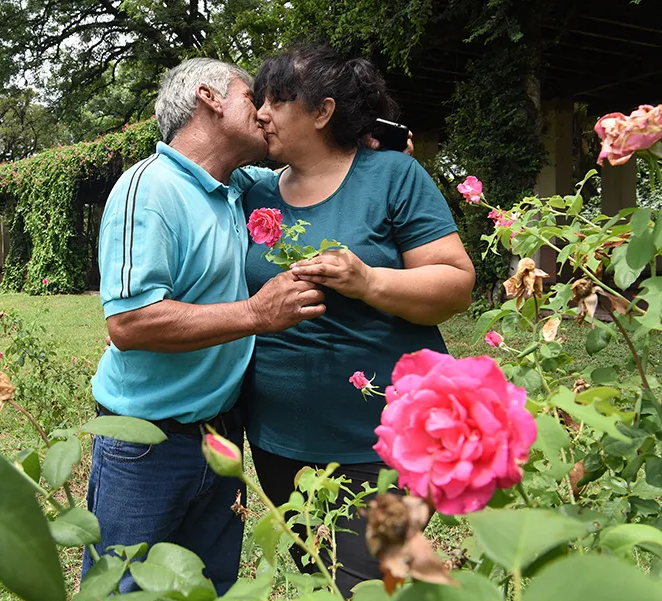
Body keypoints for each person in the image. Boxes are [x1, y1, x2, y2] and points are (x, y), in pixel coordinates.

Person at [84, 58, 327, 594]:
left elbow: (314, 166)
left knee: (206, 585)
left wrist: (367, 147)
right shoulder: (148, 190)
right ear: (210, 98)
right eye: (252, 97)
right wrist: (257, 314)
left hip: (222, 433)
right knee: (125, 586)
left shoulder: (241, 185)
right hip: (146, 441)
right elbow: (129, 321)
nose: (266, 113)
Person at [241, 45, 476, 596]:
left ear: (322, 112)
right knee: (319, 580)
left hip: (386, 441)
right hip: (279, 442)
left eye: (277, 99)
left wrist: (369, 281)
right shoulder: (252, 191)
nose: (262, 112)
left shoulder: (392, 175)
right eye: (258, 100)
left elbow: (455, 283)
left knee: (374, 582)